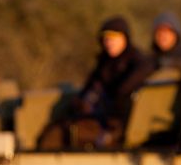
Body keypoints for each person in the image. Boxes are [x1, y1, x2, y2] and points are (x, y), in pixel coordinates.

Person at [39, 16, 155, 149]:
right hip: (95, 117)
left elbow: (125, 90)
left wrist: (113, 97)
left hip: (118, 123)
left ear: (125, 38)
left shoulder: (138, 61)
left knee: (74, 132)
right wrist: (82, 103)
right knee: (58, 130)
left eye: (114, 38)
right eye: (106, 38)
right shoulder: (103, 63)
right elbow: (88, 89)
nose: (109, 42)